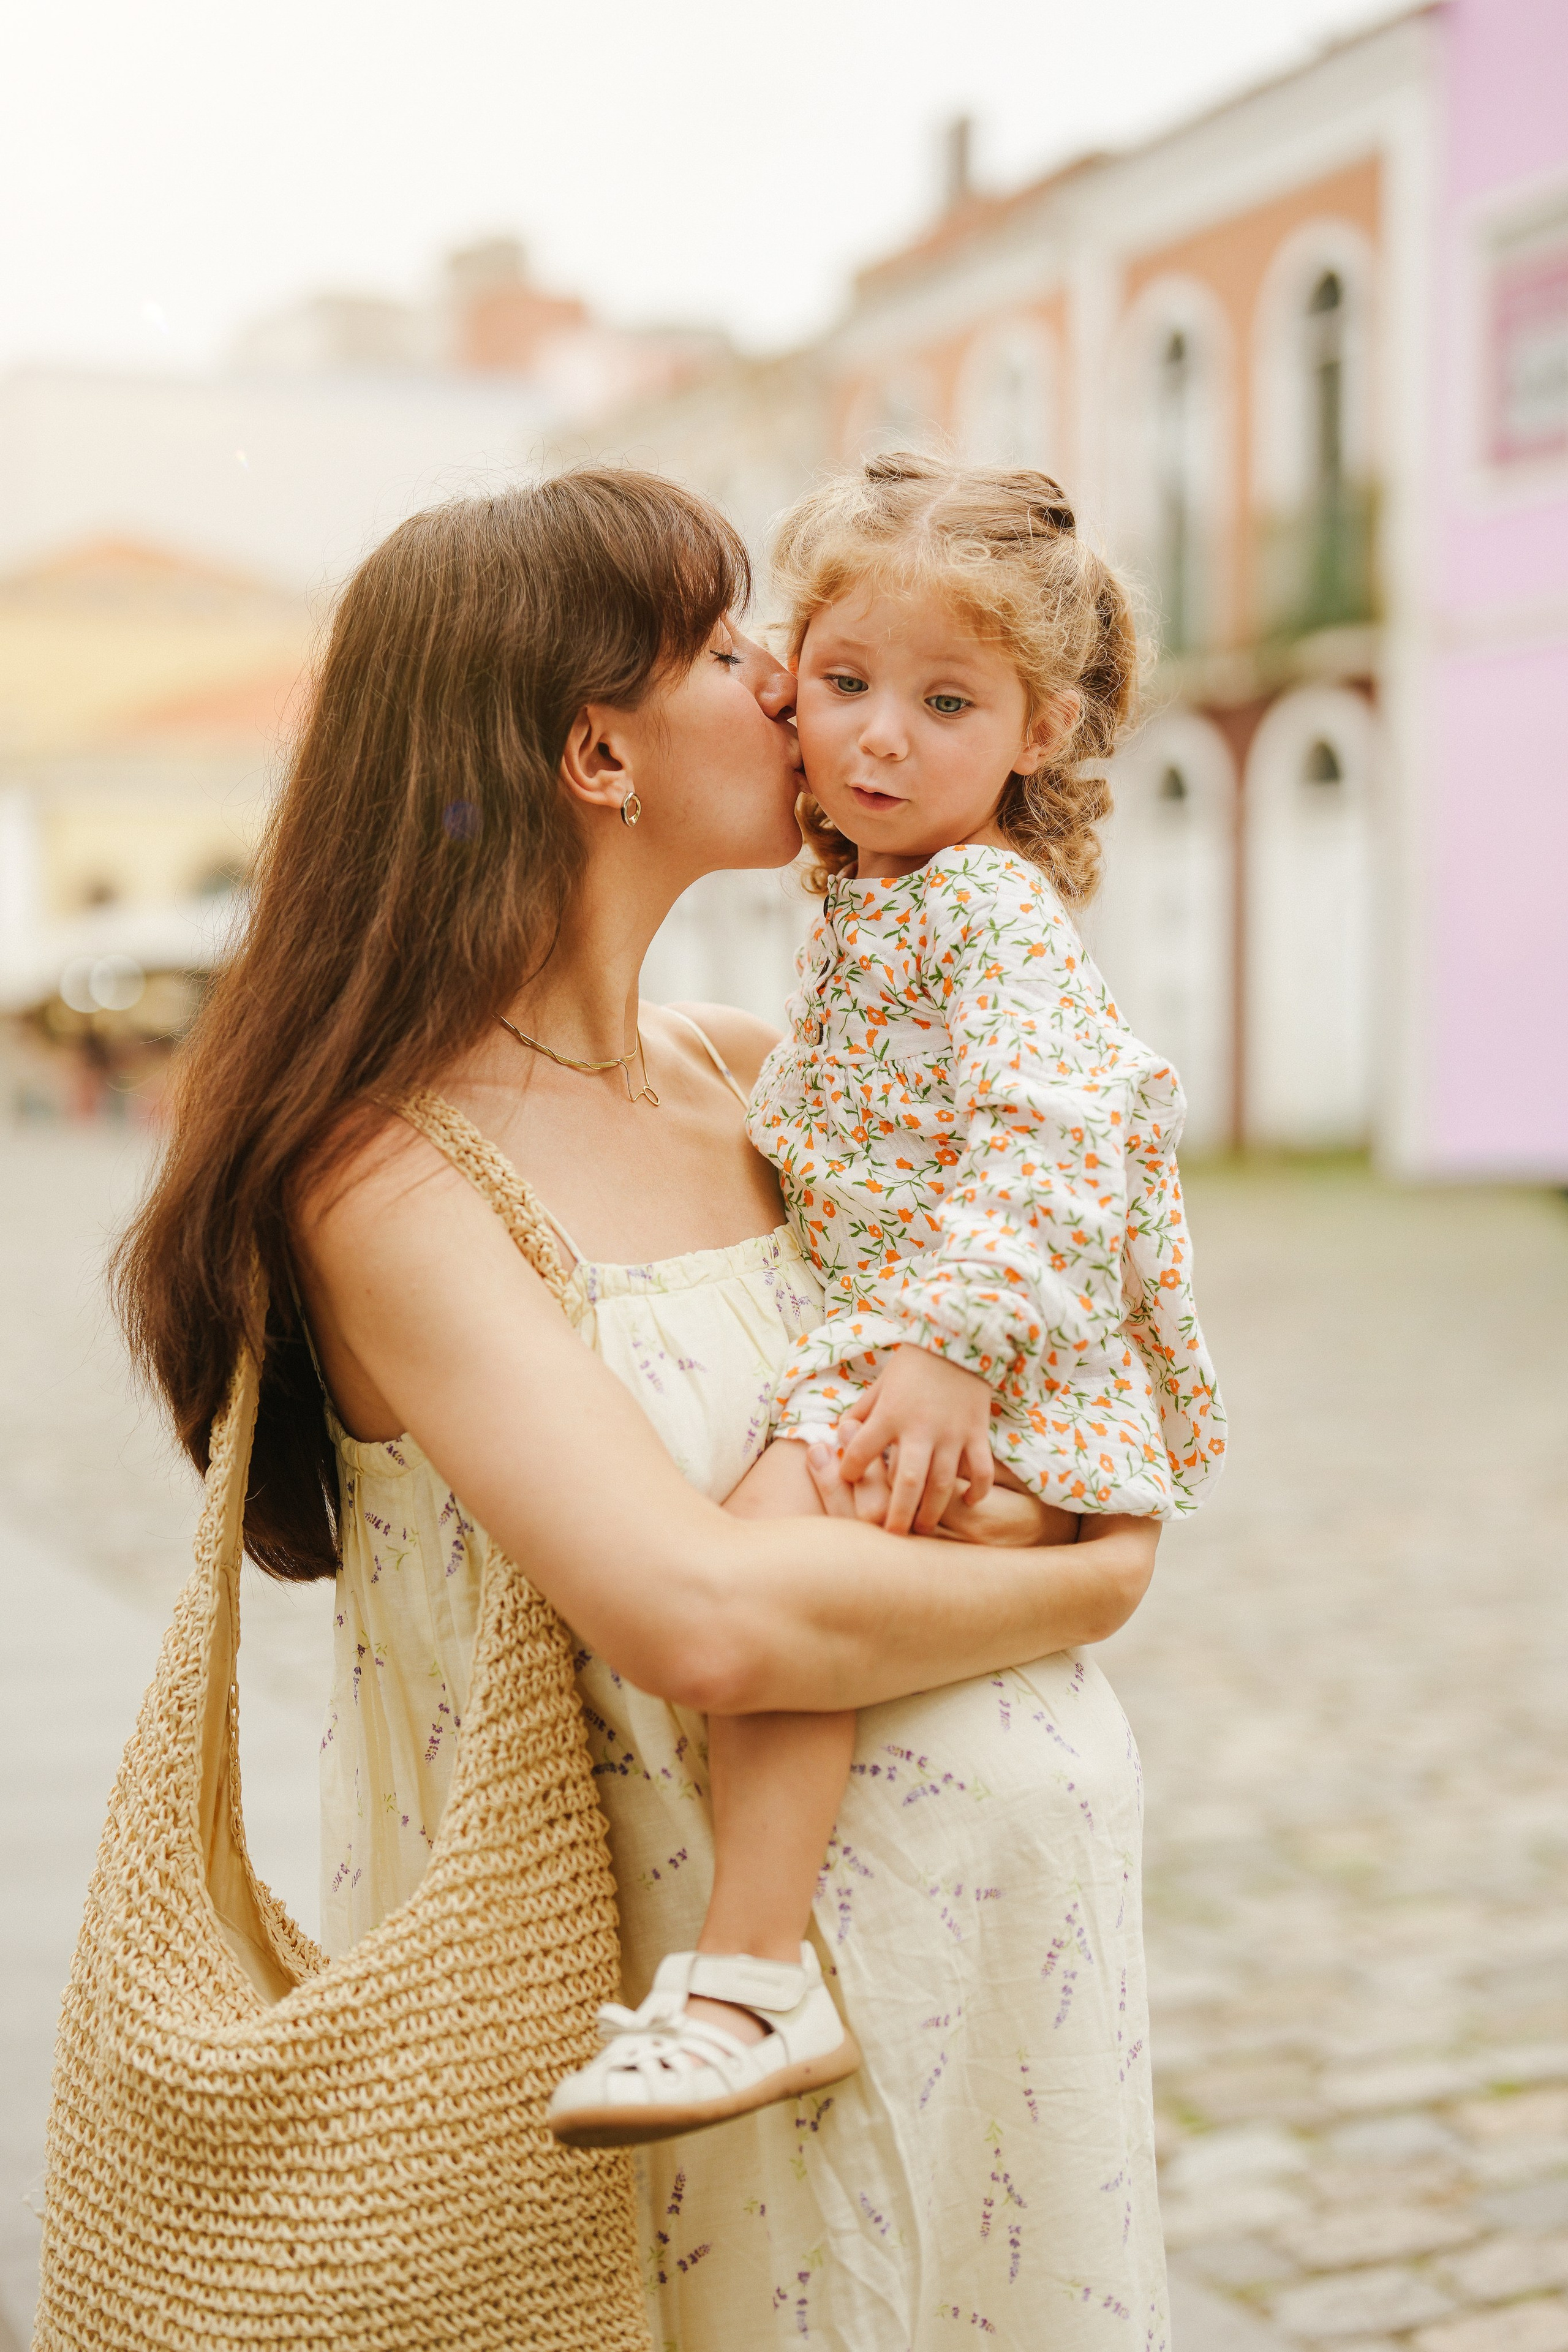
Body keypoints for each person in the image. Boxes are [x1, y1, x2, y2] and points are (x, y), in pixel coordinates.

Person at [115, 468, 1171, 2350]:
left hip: (992, 1980)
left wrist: (1036, 1506)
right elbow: (697, 1615)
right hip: (672, 2066)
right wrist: (1083, 1596)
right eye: (722, 645)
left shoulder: (769, 1085)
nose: (788, 679)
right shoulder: (395, 1180)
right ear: (598, 756)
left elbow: (1058, 1335)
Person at [547, 453, 1226, 2151]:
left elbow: (1070, 1127)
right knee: (779, 1603)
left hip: (964, 1360)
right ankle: (758, 1964)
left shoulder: (984, 910)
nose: (878, 740)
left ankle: (743, 1988)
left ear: (1039, 734)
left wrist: (943, 1351)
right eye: (840, 687)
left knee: (764, 1591)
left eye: (945, 702)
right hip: (920, 1339)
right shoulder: (872, 894)